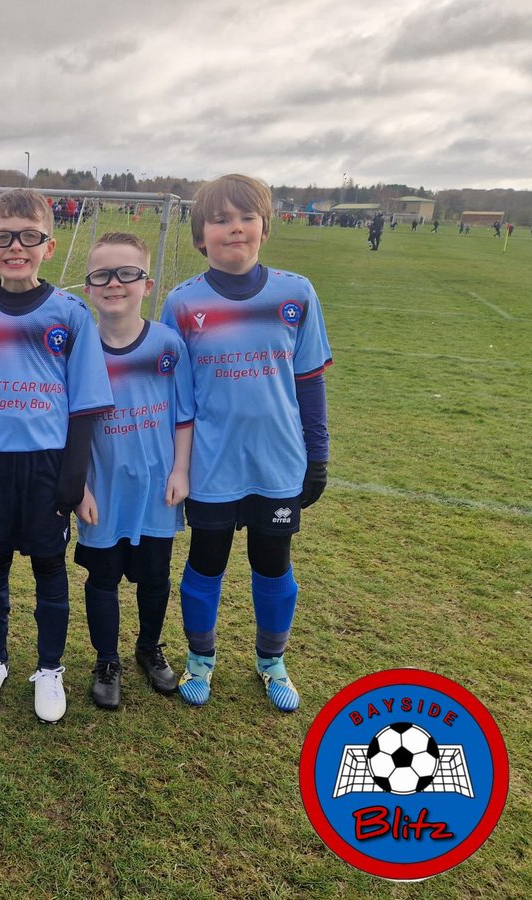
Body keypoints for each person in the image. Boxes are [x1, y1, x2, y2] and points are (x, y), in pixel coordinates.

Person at [159, 174, 332, 713]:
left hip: (278, 461)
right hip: (211, 465)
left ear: (264, 226)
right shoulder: (182, 304)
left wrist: (318, 454)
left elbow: (309, 381)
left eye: (245, 217)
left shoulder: (295, 293)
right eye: (219, 219)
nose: (234, 228)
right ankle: (200, 660)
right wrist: (175, 466)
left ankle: (271, 660)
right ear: (200, 236)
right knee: (206, 562)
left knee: (273, 564)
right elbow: (175, 399)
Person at [0, 188, 114, 723]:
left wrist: (73, 478)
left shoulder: (71, 315)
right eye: (3, 237)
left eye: (29, 237)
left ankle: (50, 668)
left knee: (48, 566)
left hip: (46, 464)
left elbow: (86, 404)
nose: (15, 247)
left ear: (48, 244)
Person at [75, 233, 194, 709]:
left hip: (155, 489)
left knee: (154, 576)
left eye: (127, 273)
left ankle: (149, 647)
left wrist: (180, 470)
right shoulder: (78, 348)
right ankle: (107, 660)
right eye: (102, 274)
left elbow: (183, 414)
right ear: (88, 287)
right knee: (101, 578)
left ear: (147, 284)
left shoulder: (168, 344)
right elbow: (69, 423)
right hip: (100, 490)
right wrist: (78, 485)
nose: (114, 283)